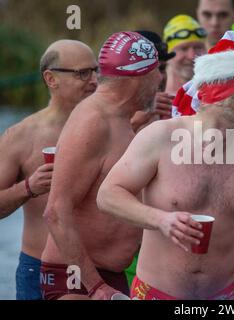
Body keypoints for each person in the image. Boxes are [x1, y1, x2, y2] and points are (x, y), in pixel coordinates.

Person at [97, 44, 234, 300]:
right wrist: (161, 220)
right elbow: (108, 195)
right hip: (157, 292)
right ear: (223, 94)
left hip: (225, 296)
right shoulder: (162, 136)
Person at [40, 31, 162, 300]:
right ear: (138, 78)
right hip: (76, 278)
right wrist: (96, 286)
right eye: (157, 72)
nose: (161, 80)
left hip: (107, 276)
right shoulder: (92, 120)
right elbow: (56, 211)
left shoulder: (118, 118)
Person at [0, 40, 97, 300]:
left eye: (96, 71)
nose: (94, 80)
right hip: (40, 269)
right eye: (82, 73)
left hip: (100, 271)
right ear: (51, 78)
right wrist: (28, 187)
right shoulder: (20, 137)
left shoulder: (113, 125)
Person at [131, 30, 176, 132]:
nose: (160, 77)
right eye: (150, 70)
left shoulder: (176, 110)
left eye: (162, 68)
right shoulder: (107, 112)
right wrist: (135, 122)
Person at [163, 15, 208, 96]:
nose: (191, 56)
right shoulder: (156, 94)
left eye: (198, 47)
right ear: (168, 53)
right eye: (183, 49)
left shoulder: (216, 90)